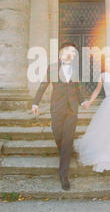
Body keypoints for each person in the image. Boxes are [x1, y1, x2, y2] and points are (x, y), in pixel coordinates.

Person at [31, 42, 89, 190]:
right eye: (71, 51)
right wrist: (35, 103)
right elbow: (44, 84)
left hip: (72, 108)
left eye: (75, 52)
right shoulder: (52, 67)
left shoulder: (75, 70)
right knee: (57, 134)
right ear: (62, 53)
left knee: (68, 139)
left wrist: (83, 102)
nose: (73, 54)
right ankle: (65, 151)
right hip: (56, 107)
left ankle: (63, 175)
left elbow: (78, 88)